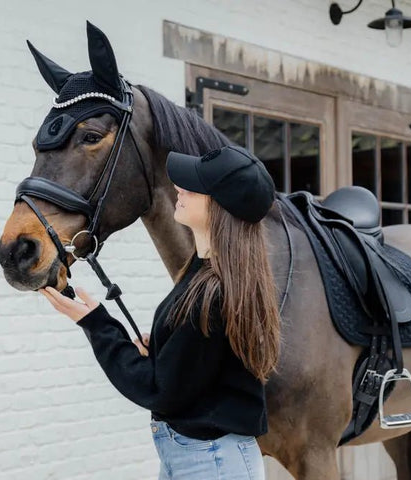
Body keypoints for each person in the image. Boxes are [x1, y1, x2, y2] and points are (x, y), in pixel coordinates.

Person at [40, 145, 281, 479]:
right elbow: (202, 367)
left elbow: (159, 391)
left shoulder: (212, 291)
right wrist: (161, 349)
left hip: (212, 462)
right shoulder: (209, 274)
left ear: (220, 205)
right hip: (201, 456)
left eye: (193, 186)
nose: (179, 188)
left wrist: (96, 324)